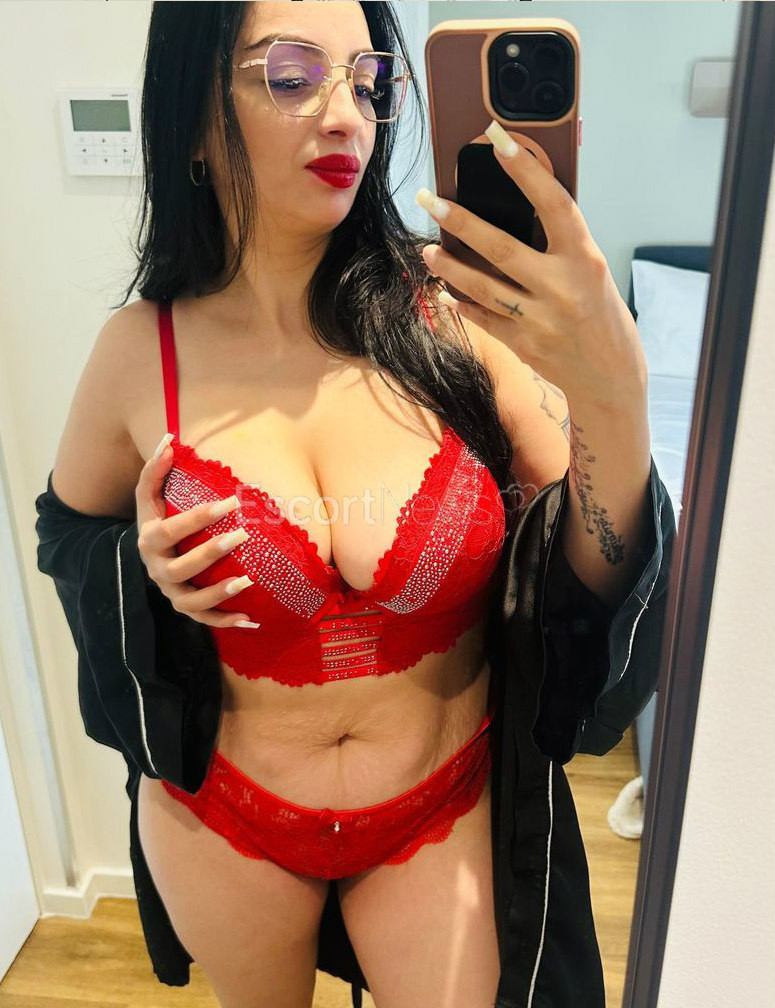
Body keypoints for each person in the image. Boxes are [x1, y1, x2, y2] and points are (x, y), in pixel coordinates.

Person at [39, 3, 675, 1007]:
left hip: (441, 805)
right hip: (225, 818)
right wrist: (140, 568)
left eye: (368, 81)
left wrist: (614, 392)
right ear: (194, 116)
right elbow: (67, 534)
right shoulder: (137, 352)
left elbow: (591, 567)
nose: (346, 115)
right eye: (292, 77)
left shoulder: (457, 311)